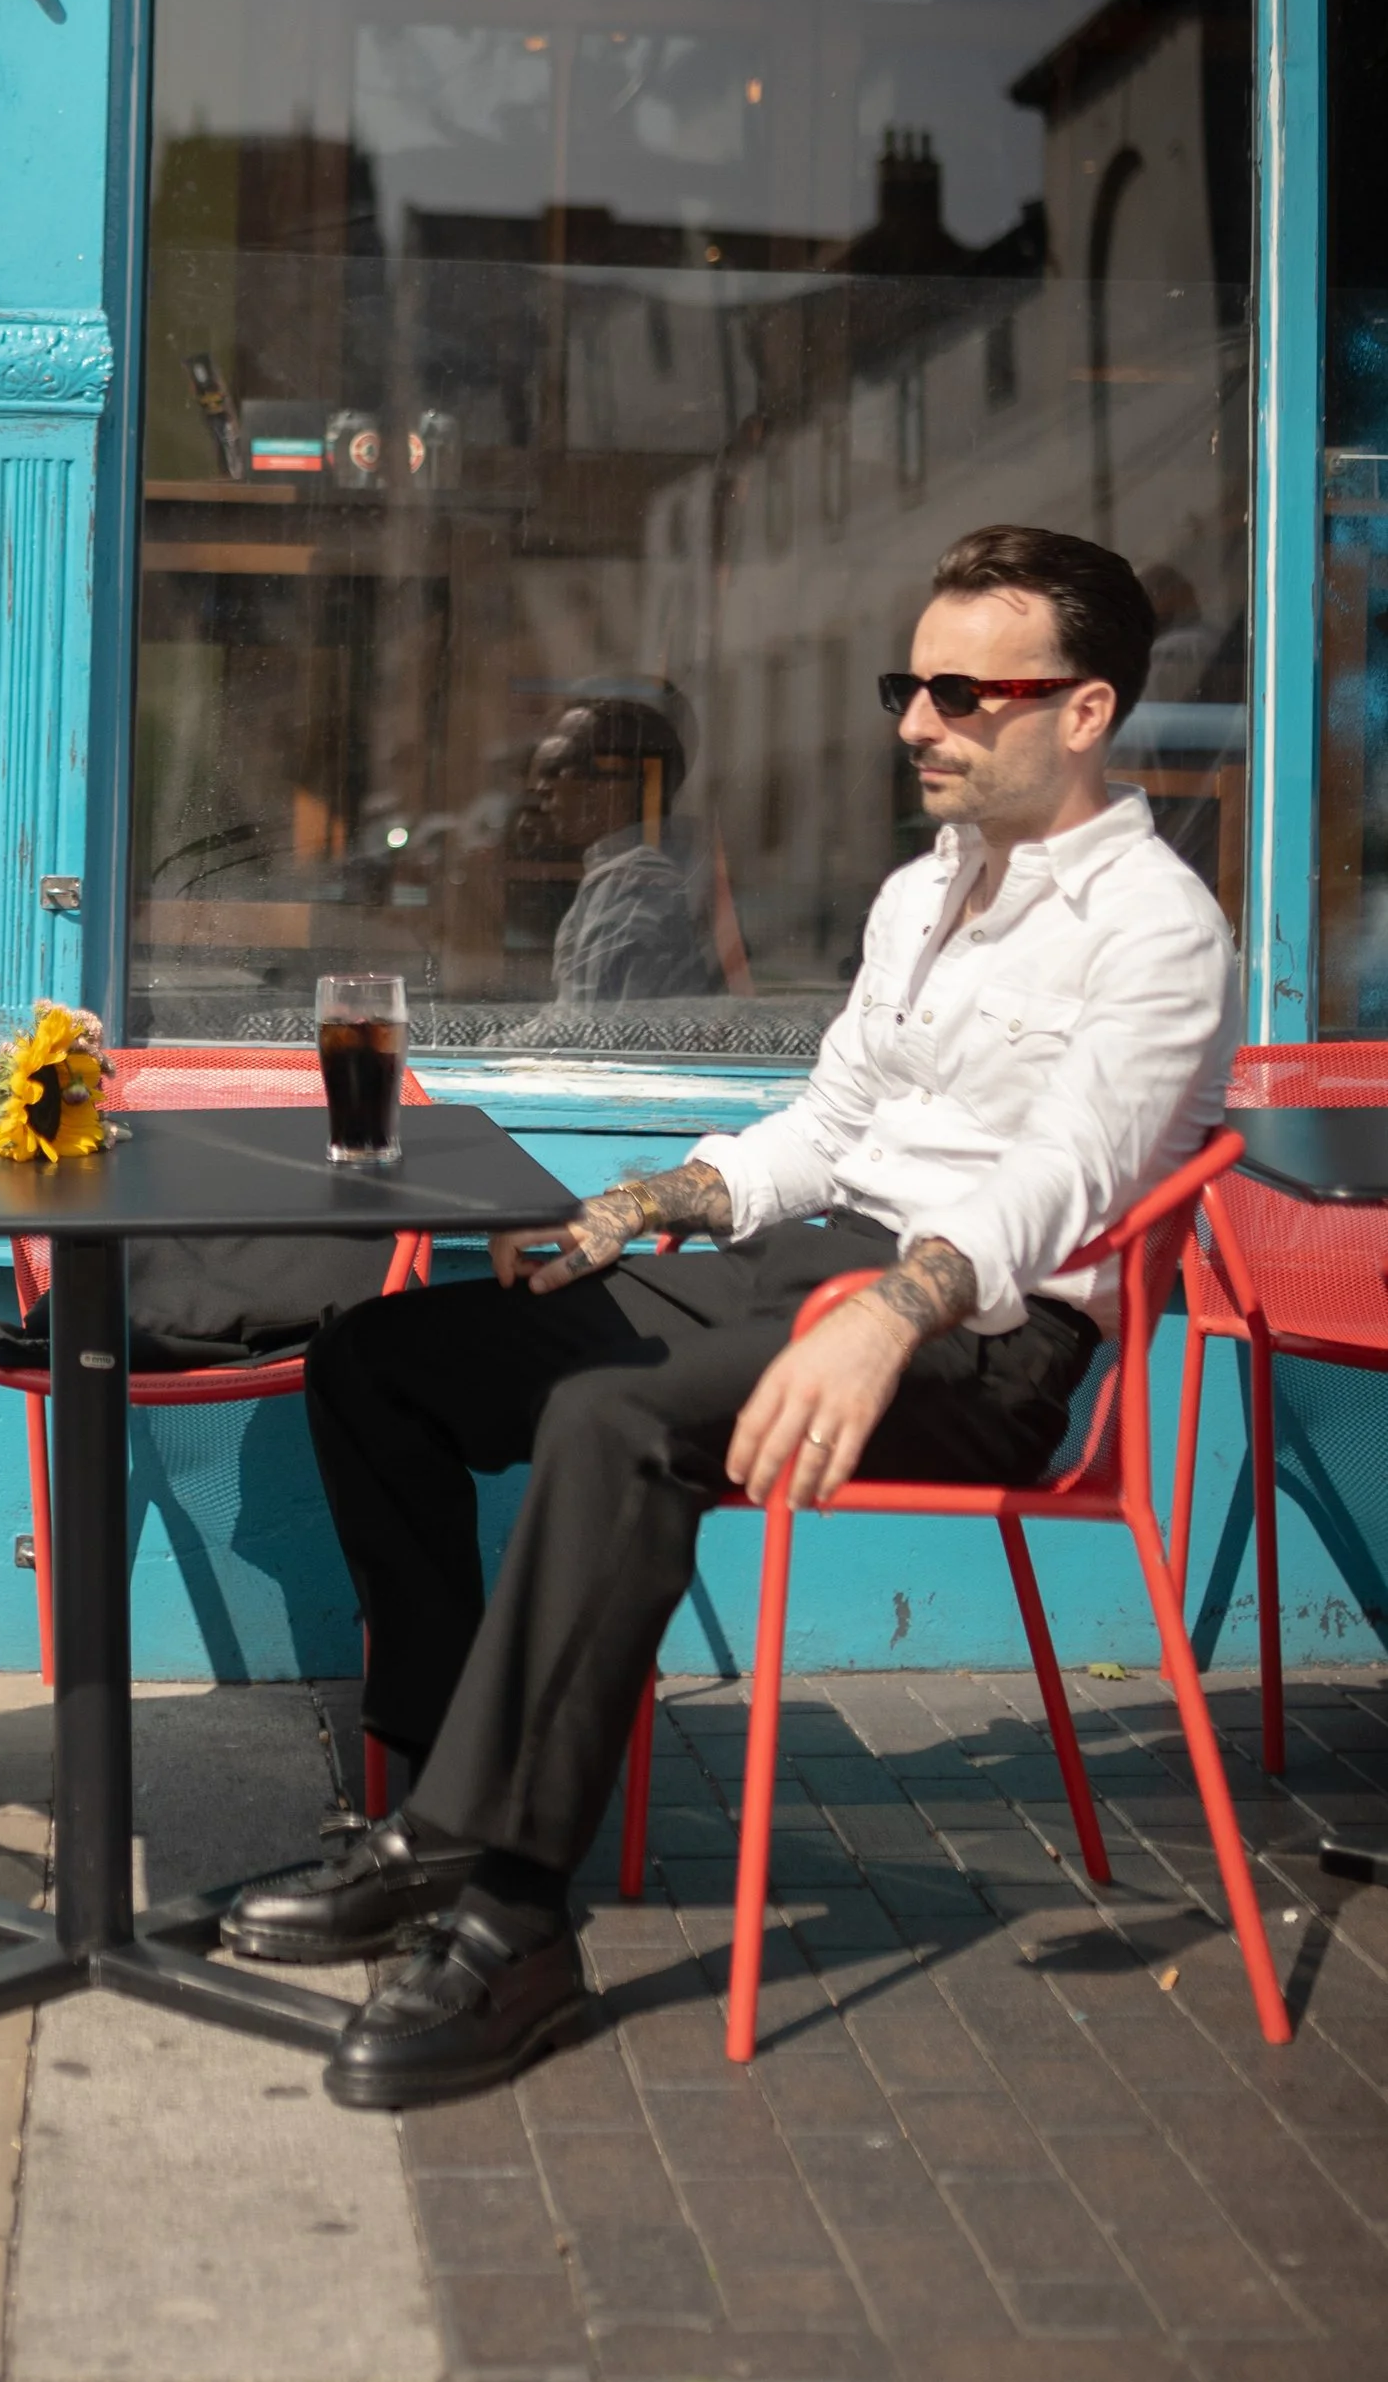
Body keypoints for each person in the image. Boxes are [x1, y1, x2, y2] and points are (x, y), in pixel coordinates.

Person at [223, 527, 1238, 2109]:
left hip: (987, 1336)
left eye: (969, 692)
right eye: (913, 684)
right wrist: (640, 1208)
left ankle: (515, 1924)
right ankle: (437, 1806)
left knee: (614, 1418)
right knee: (386, 1360)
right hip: (815, 1264)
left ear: (1087, 708)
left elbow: (1064, 1178)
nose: (918, 722)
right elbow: (821, 1131)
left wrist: (888, 1313)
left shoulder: (1159, 927)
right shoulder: (921, 897)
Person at [516, 694, 722, 1006]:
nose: (541, 788)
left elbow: (592, 1029)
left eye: (558, 768)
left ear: (616, 784)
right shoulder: (626, 876)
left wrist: (491, 1046)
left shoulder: (630, 885)